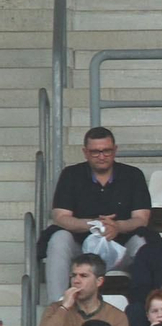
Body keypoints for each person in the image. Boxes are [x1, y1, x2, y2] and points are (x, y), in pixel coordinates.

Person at [44, 126, 151, 301]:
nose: (101, 156)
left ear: (115, 150)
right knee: (58, 239)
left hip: (122, 246)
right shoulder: (71, 175)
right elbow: (60, 216)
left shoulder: (133, 175)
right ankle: (57, 308)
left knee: (142, 244)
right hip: (81, 248)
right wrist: (94, 225)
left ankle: (145, 308)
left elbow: (142, 218)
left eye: (106, 151)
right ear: (85, 152)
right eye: (95, 152)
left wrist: (118, 227)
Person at [38, 253, 129, 326]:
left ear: (99, 281)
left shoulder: (116, 316)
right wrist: (64, 307)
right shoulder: (56, 310)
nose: (76, 281)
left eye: (83, 276)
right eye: (73, 276)